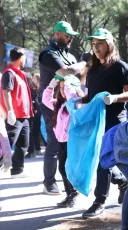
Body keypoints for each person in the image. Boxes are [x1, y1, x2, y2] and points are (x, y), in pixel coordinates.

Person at [81, 28, 128, 218]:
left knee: (103, 162)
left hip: (114, 122)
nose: (96, 47)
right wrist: (78, 103)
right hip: (95, 122)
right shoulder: (92, 70)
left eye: (100, 43)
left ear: (109, 45)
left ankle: (99, 201)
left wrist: (115, 98)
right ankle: (123, 181)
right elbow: (90, 98)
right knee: (100, 160)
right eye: (94, 44)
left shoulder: (120, 67)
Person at [39, 21, 86, 195]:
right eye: (68, 36)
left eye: (72, 37)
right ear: (57, 34)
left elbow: (80, 76)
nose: (70, 39)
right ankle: (49, 182)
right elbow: (65, 71)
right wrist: (84, 63)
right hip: (52, 104)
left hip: (71, 104)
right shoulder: (47, 54)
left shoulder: (71, 56)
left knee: (70, 144)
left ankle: (71, 182)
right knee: (54, 143)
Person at [42, 75, 83, 208]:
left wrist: (68, 85)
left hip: (72, 142)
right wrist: (51, 85)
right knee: (63, 168)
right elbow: (45, 99)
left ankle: (74, 193)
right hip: (62, 142)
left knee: (65, 169)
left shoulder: (76, 103)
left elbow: (71, 96)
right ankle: (70, 195)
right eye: (60, 88)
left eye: (64, 88)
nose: (62, 91)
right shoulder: (58, 105)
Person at [0, 47, 33, 178]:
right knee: (8, 144)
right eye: (25, 57)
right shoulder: (9, 73)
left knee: (23, 143)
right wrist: (10, 111)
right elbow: (6, 92)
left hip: (24, 115)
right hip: (14, 115)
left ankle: (17, 169)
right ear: (21, 58)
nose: (25, 60)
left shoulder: (19, 73)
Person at [26, 73, 43, 158]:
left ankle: (32, 151)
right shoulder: (35, 87)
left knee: (32, 131)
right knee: (34, 132)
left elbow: (35, 101)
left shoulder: (30, 87)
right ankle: (36, 149)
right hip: (37, 111)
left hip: (34, 112)